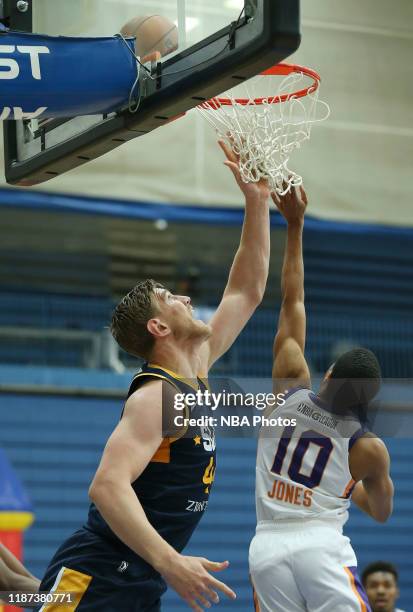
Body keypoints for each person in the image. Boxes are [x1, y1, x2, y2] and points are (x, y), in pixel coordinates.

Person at [36, 140, 271, 612]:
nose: (186, 299)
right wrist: (170, 560)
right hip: (95, 577)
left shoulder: (197, 373)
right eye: (171, 298)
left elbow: (246, 290)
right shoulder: (158, 398)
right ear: (159, 327)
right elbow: (106, 486)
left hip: (134, 580)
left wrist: (257, 202)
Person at [249, 184, 394, 611]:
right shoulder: (368, 449)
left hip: (266, 546)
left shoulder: (289, 386)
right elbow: (381, 511)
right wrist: (347, 488)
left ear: (327, 374)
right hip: (321, 545)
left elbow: (292, 299)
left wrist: (294, 225)